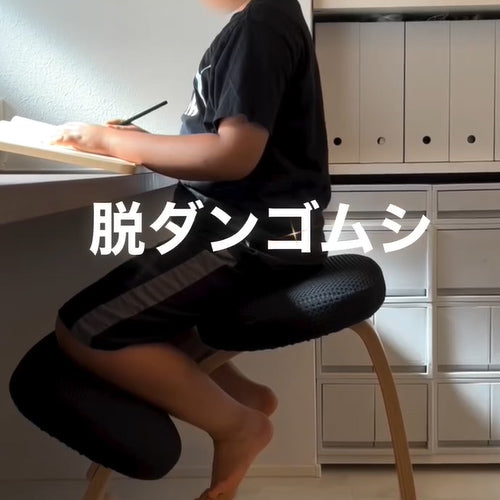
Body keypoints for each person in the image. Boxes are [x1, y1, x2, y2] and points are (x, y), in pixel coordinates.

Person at [53, 0, 330, 498]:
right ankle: (246, 399)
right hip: (255, 231)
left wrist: (108, 142)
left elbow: (233, 155)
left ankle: (237, 425)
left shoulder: (262, 24)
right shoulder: (263, 20)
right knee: (147, 323)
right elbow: (222, 143)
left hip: (247, 238)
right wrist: (140, 141)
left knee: (83, 329)